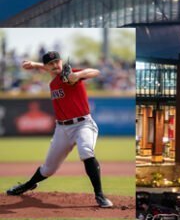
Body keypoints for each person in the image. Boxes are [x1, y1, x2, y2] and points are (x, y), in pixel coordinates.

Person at [6, 51, 113, 208]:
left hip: (83, 124)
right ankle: (28, 185)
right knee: (48, 169)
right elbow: (50, 70)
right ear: (47, 67)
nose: (55, 65)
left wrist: (79, 75)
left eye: (57, 61)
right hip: (62, 129)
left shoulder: (70, 74)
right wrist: (36, 65)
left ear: (61, 62)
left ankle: (100, 195)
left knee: (86, 151)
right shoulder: (53, 81)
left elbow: (96, 72)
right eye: (51, 63)